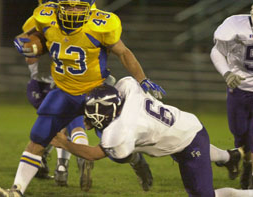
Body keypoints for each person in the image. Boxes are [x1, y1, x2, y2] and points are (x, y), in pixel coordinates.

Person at [0, 0, 164, 196]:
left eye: (79, 7)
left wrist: (142, 79)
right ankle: (17, 190)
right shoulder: (46, 17)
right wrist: (27, 43)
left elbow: (123, 53)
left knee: (116, 148)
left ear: (89, 7)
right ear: (59, 5)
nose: (73, 11)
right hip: (64, 91)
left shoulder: (100, 25)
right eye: (69, 6)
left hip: (97, 93)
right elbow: (26, 38)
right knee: (38, 139)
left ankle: (135, 160)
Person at [51, 76, 253, 197]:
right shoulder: (128, 90)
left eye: (93, 116)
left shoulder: (121, 130)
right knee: (190, 147)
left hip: (186, 140)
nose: (90, 119)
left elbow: (94, 154)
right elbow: (126, 84)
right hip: (184, 123)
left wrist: (63, 143)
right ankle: (230, 157)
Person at [22, 0, 98, 188]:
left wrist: (33, 75)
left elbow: (27, 50)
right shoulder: (89, 15)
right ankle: (66, 164)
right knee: (74, 124)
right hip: (74, 79)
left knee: (52, 127)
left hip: (51, 81)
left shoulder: (38, 18)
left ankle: (56, 166)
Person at [210, 6, 253, 189]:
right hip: (240, 86)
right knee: (239, 132)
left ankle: (249, 172)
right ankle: (240, 159)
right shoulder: (235, 25)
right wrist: (227, 74)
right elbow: (217, 51)